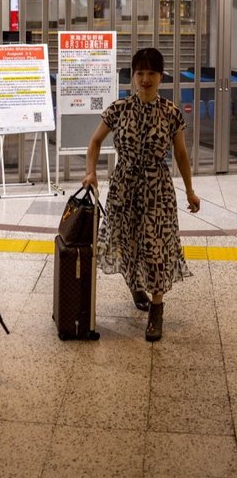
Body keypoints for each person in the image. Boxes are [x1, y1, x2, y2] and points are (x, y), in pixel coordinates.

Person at [82, 47, 200, 342]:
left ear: (161, 77)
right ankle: (136, 286)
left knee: (156, 248)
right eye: (140, 73)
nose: (145, 79)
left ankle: (157, 309)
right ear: (133, 76)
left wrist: (189, 190)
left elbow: (181, 154)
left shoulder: (171, 113)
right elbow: (94, 142)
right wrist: (91, 172)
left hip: (157, 190)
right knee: (128, 243)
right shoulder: (118, 109)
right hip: (124, 188)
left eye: (151, 73)